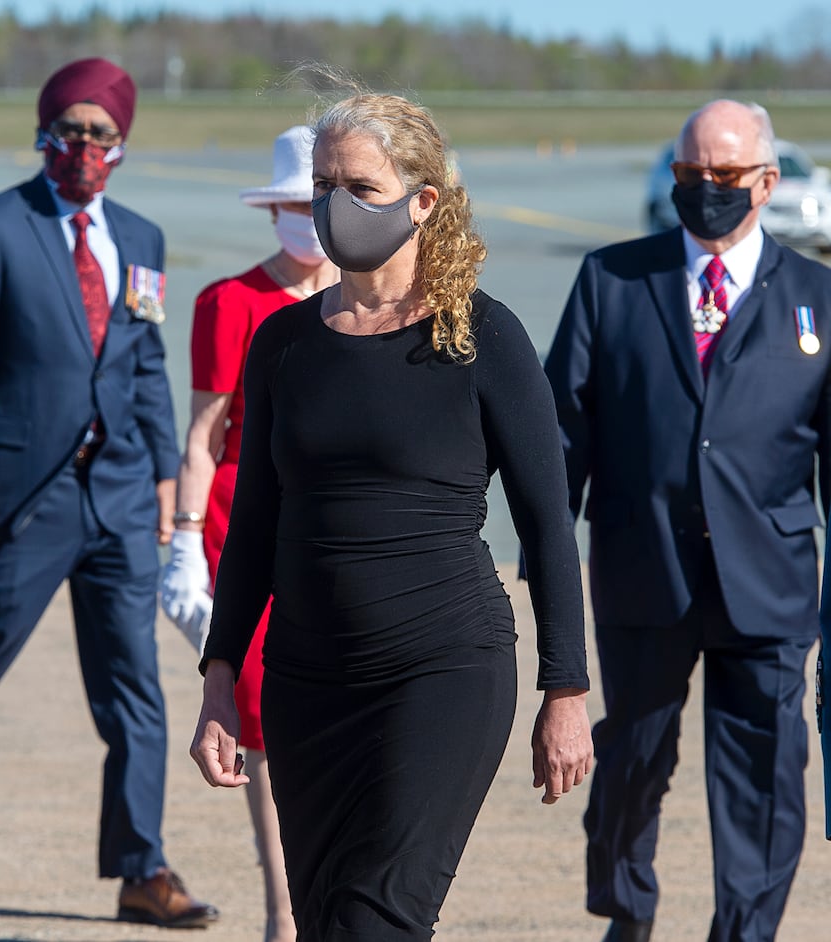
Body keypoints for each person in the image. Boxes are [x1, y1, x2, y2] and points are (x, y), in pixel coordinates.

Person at [190, 90, 593, 941]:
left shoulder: (482, 336)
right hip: (305, 682)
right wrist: (221, 676)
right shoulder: (283, 344)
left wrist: (565, 688)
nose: (336, 206)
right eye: (322, 183)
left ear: (424, 200)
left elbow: (549, 524)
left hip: (440, 671)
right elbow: (256, 523)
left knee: (379, 919)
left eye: (360, 186)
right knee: (328, 915)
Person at [0, 57, 217, 929]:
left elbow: (144, 367)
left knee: (135, 689)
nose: (84, 146)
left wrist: (170, 497)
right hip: (23, 499)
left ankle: (143, 866)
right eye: (69, 129)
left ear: (123, 144)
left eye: (101, 133)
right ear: (42, 134)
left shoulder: (139, 240)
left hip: (120, 500)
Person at [545, 99, 831, 942]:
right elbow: (564, 429)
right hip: (643, 572)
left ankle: (744, 931)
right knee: (632, 762)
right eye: (690, 174)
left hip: (769, 583)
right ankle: (627, 910)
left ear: (766, 183)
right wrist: (549, 553)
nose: (706, 188)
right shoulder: (611, 279)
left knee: (764, 779)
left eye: (726, 175)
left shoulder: (819, 296)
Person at [161, 125, 337, 942]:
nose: (307, 219)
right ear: (272, 213)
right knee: (261, 724)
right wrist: (185, 543)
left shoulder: (372, 301)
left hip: (344, 531)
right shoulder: (230, 304)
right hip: (249, 529)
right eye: (292, 205)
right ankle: (283, 914)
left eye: (322, 202)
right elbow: (204, 433)